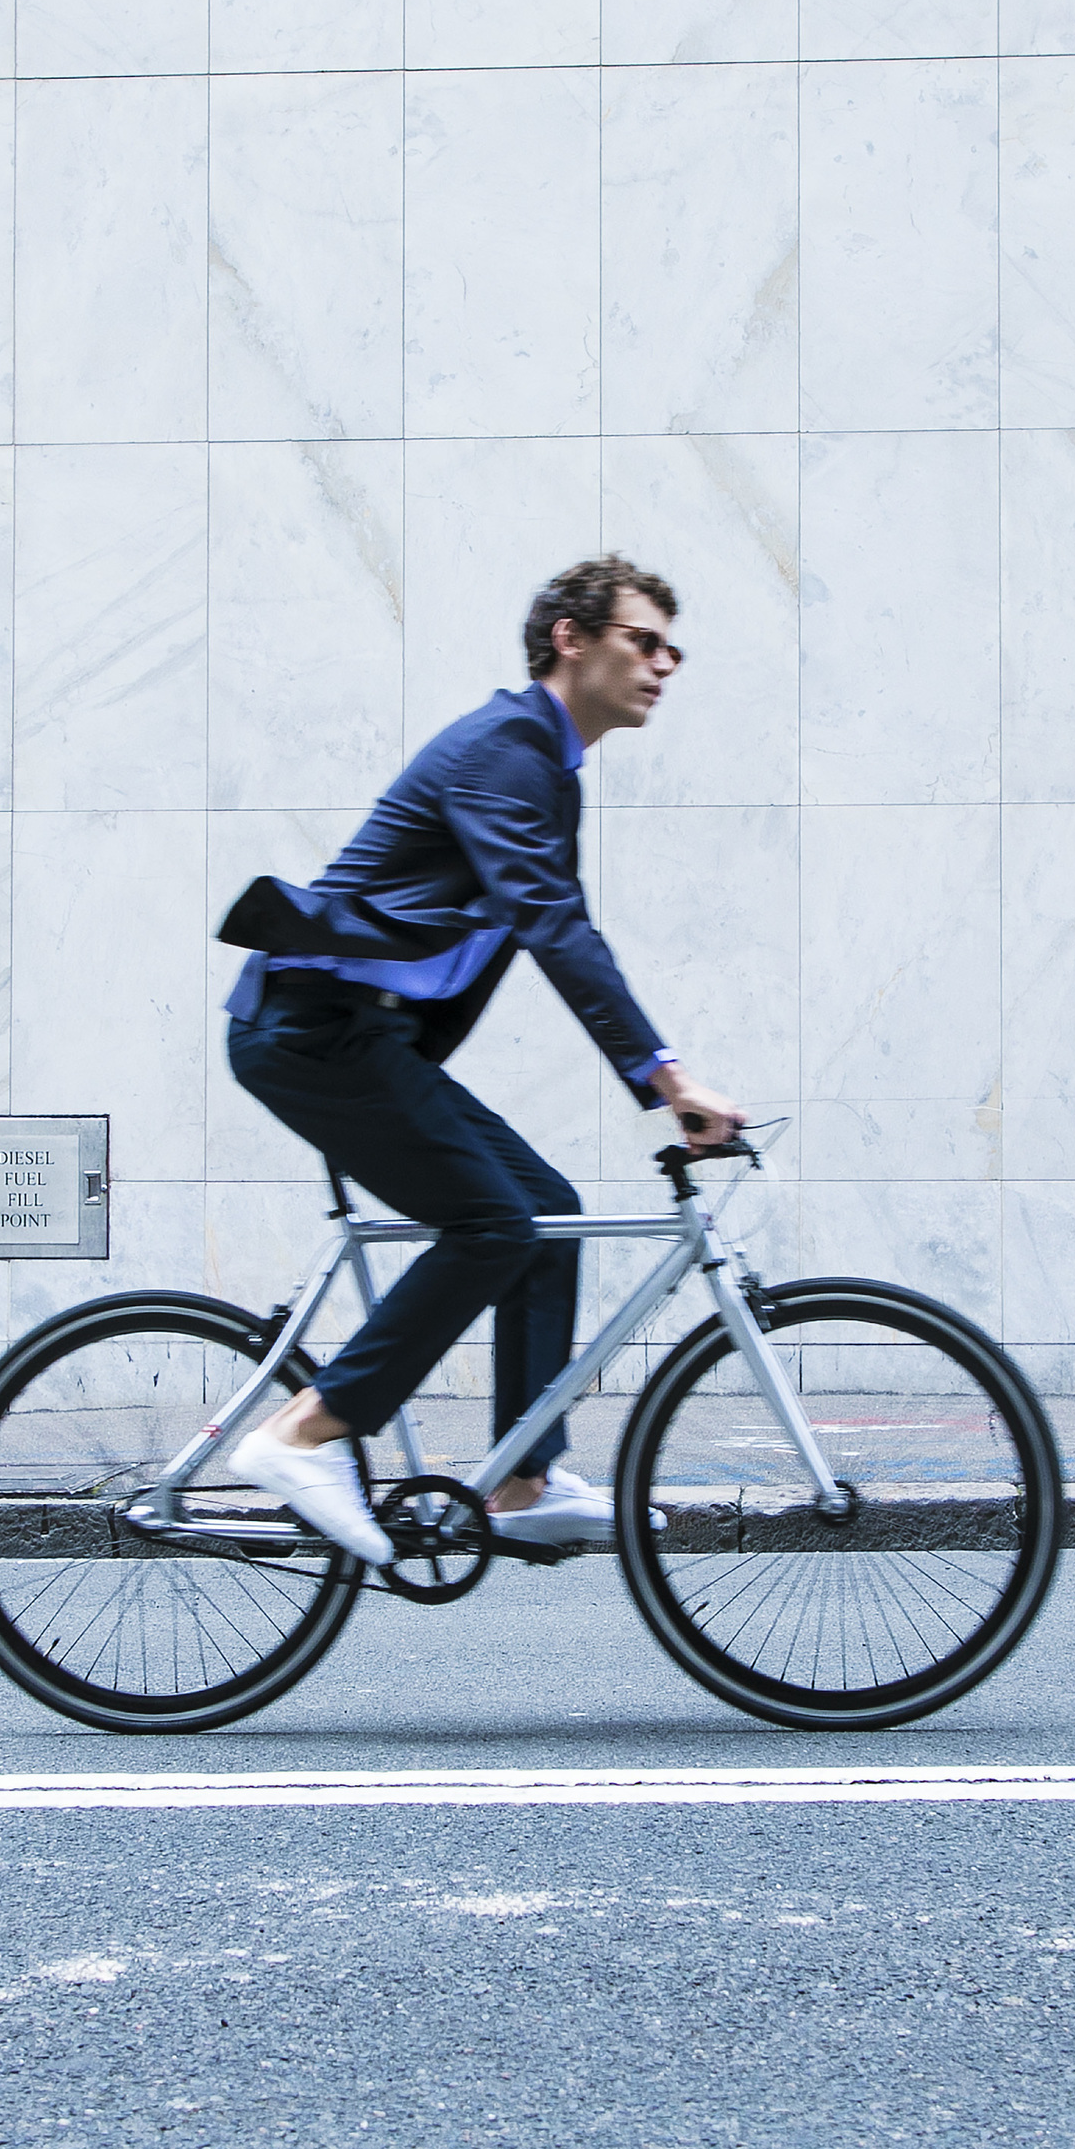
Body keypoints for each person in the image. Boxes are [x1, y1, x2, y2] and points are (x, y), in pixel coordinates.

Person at [208, 556, 747, 1563]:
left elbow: (546, 931)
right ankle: (305, 1433)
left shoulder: (542, 769)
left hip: (359, 1037)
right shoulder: (504, 752)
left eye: (675, 648)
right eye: (643, 639)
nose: (665, 663)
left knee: (541, 1212)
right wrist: (667, 1080)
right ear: (570, 640)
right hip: (313, 1031)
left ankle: (521, 1482)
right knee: (494, 1223)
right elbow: (556, 929)